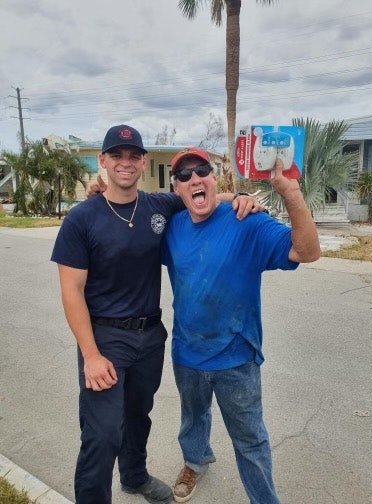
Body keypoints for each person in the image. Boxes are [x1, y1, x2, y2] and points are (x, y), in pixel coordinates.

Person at [51, 125, 263, 504]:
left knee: (138, 417)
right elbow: (71, 292)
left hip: (150, 336)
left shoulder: (157, 206)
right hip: (105, 338)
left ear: (144, 162)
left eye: (133, 156)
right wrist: (91, 354)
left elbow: (202, 195)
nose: (126, 163)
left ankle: (134, 476)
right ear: (102, 161)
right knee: (101, 435)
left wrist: (243, 198)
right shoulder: (81, 219)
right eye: (116, 156)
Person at [160, 147, 321, 503]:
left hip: (237, 358)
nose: (193, 179)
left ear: (214, 177)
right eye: (184, 176)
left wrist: (289, 192)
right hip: (187, 352)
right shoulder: (171, 227)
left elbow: (307, 251)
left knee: (250, 441)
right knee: (192, 419)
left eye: (201, 170)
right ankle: (195, 460)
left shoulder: (246, 222)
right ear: (177, 189)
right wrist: (99, 198)